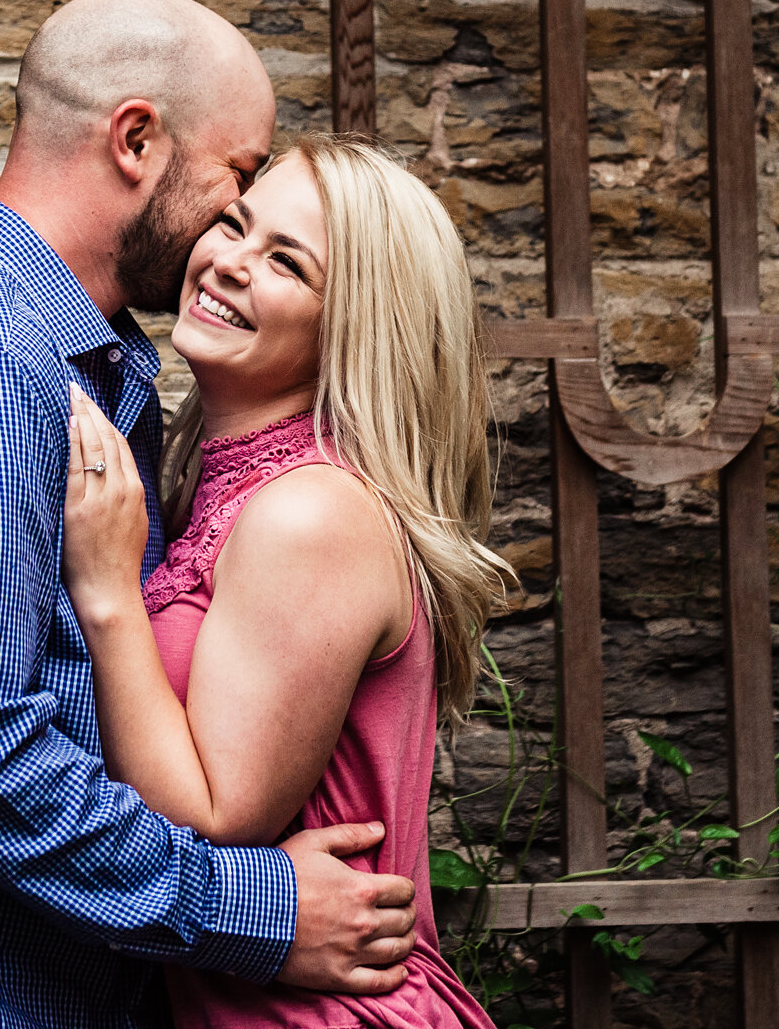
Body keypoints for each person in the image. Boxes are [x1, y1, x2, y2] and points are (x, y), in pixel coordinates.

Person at [0, 0, 421, 1027]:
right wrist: (257, 909)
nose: (224, 240)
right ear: (137, 140)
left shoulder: (73, 371)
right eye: (234, 182)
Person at [58, 133, 508, 1028]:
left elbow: (214, 818)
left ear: (350, 327)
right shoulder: (207, 484)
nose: (227, 262)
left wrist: (108, 592)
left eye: (285, 263)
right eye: (234, 224)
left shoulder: (312, 515)